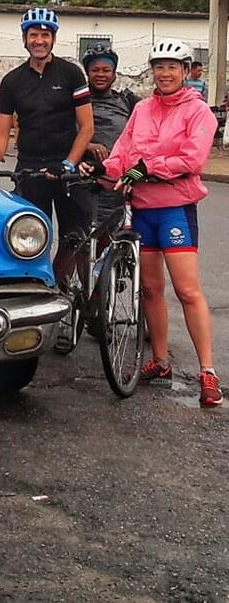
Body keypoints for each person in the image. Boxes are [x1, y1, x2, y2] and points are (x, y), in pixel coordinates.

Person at [82, 39, 220, 405]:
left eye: (173, 67)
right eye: (159, 67)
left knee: (187, 291)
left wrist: (146, 168)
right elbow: (122, 154)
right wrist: (101, 169)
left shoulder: (199, 111)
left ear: (186, 71)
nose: (165, 73)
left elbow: (192, 159)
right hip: (142, 208)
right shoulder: (142, 109)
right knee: (151, 290)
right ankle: (160, 362)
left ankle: (208, 371)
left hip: (176, 209)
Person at [0, 7, 93, 280]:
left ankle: (82, 293)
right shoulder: (12, 81)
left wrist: (69, 163)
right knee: (28, 238)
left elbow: (87, 127)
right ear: (24, 39)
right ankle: (42, 287)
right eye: (33, 35)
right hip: (30, 167)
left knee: (75, 238)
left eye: (45, 35)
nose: (39, 41)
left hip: (66, 166)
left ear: (53, 39)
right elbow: (2, 131)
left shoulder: (71, 74)